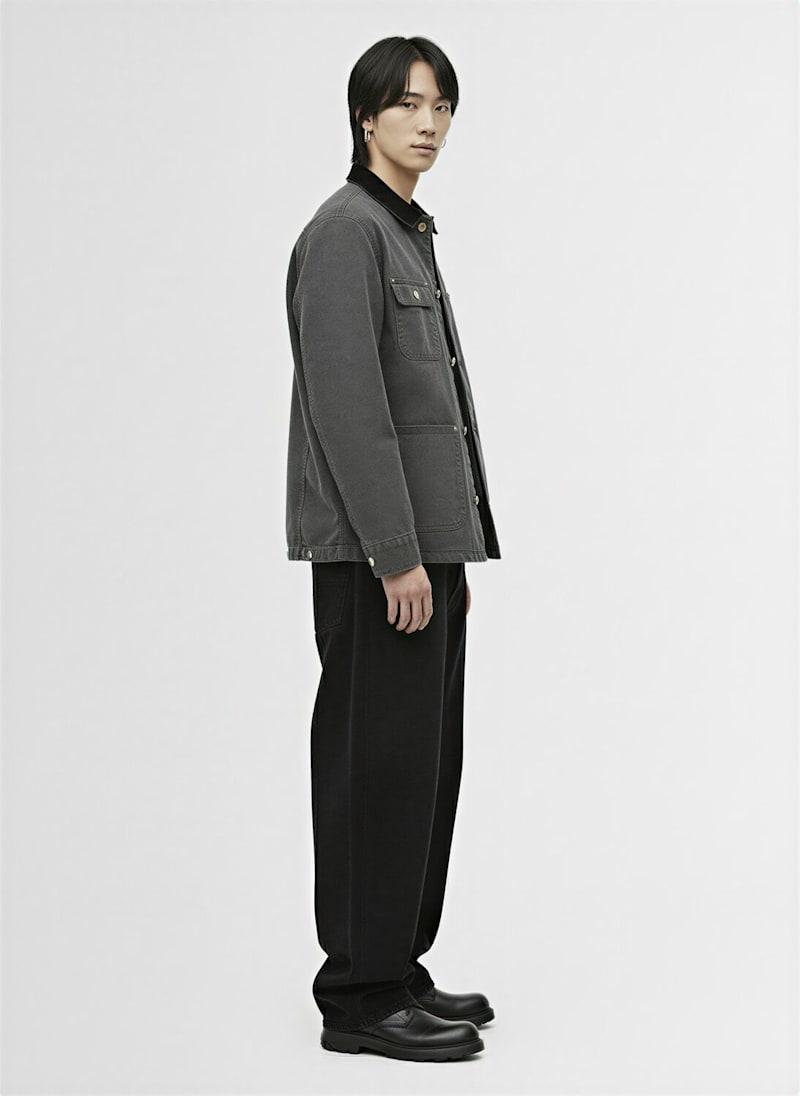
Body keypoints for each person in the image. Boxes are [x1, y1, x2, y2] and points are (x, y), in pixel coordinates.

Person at [284, 35, 501, 1062]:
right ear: (364, 116)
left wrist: (444, 555)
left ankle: (395, 965)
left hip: (423, 555)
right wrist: (395, 555)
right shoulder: (345, 234)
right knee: (374, 767)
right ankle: (359, 996)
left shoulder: (404, 232)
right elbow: (350, 412)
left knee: (421, 767)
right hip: (381, 560)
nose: (429, 122)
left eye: (442, 105)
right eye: (408, 103)